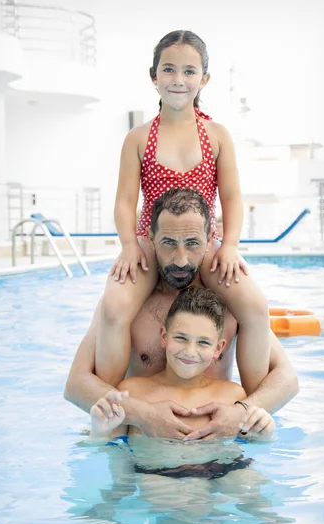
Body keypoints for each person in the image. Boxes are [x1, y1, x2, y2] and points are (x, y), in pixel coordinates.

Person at [95, 29, 271, 394]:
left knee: (255, 307)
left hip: (202, 244)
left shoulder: (217, 134)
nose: (179, 79)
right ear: (154, 76)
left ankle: (251, 406)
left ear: (204, 79)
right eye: (169, 70)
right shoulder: (139, 138)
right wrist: (130, 245)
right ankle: (111, 407)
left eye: (190, 71)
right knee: (112, 310)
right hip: (151, 241)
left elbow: (232, 197)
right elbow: (125, 200)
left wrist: (230, 245)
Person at [65, 188, 299, 440]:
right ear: (151, 239)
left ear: (210, 241)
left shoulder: (226, 308)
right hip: (141, 445)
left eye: (192, 244)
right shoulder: (126, 307)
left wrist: (242, 412)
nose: (180, 260)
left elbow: (287, 379)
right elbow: (75, 384)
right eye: (168, 243)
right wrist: (143, 415)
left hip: (214, 450)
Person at [90, 287, 275, 448]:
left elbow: (250, 448)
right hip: (156, 477)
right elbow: (114, 458)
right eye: (181, 338)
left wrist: (265, 432)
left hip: (219, 473)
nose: (190, 351)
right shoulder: (132, 392)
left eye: (203, 342)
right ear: (164, 336)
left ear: (218, 348)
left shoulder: (233, 396)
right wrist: (99, 432)